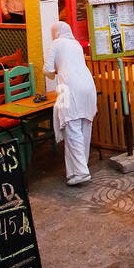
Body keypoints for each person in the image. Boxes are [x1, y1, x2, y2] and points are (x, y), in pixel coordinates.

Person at [43, 21, 97, 186]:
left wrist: (54, 73)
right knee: (84, 127)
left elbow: (47, 69)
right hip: (88, 85)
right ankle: (75, 171)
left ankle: (80, 171)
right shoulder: (76, 44)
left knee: (71, 128)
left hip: (68, 87)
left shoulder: (56, 44)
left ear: (56, 33)